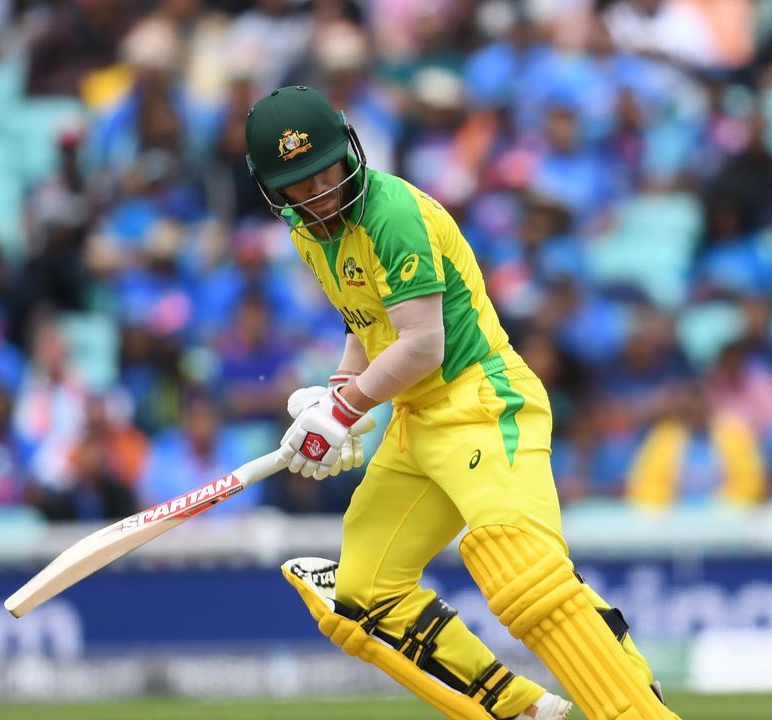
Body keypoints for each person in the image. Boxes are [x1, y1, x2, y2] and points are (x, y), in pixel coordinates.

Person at [245, 86, 676, 720]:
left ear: (350, 154)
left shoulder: (391, 213)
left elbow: (421, 345)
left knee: (525, 576)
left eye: (325, 174)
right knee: (362, 600)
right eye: (297, 186)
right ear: (272, 191)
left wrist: (343, 413)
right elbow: (367, 324)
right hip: (417, 423)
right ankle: (525, 712)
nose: (318, 195)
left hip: (482, 401)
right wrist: (338, 392)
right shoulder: (308, 232)